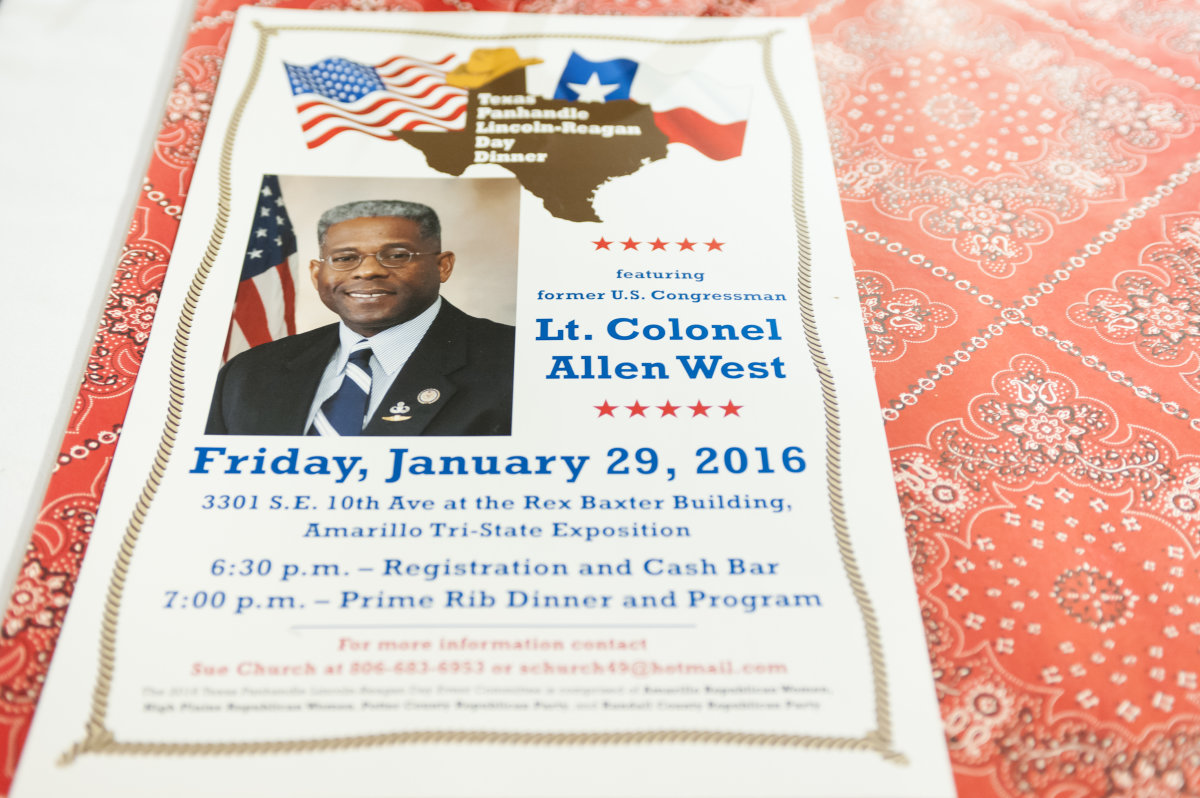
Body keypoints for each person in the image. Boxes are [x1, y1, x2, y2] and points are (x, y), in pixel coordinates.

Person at [206, 200, 514, 436]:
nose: (367, 271)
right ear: (316, 273)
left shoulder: (514, 360)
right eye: (344, 259)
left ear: (443, 266)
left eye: (396, 255)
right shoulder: (248, 374)